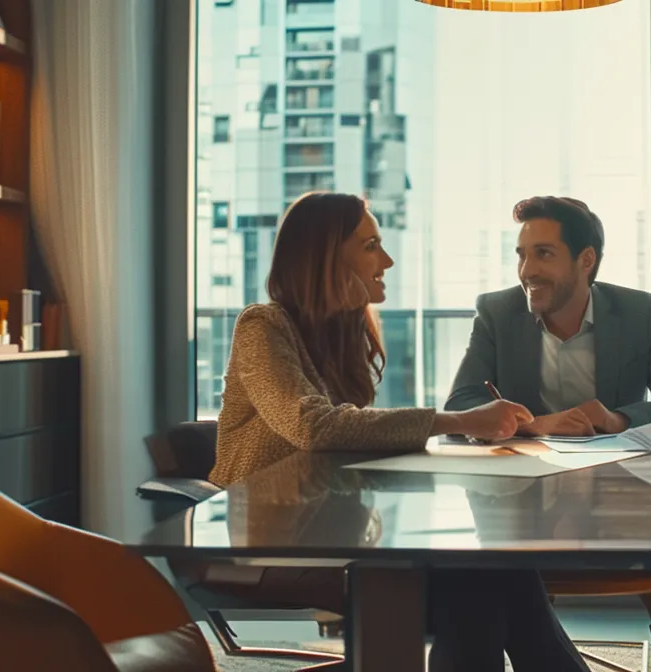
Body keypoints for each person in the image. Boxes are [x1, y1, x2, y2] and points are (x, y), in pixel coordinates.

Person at [210, 191, 589, 672]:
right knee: (480, 582)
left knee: (490, 570)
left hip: (330, 527)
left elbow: (351, 441)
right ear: (327, 256)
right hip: (272, 541)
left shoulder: (339, 334)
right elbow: (313, 426)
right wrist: (459, 421)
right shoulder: (262, 327)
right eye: (370, 246)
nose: (386, 260)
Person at [445, 196, 651, 436]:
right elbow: (460, 405)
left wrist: (618, 419)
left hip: (617, 479)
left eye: (544, 254)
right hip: (524, 478)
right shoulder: (497, 312)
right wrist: (537, 424)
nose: (527, 271)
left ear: (586, 260)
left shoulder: (637, 312)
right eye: (522, 256)